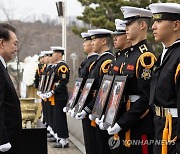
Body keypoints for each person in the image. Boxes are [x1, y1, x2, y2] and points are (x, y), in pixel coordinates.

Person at [107, 6, 157, 153]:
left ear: (142, 25)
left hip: (139, 123)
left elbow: (145, 97)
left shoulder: (145, 56)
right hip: (125, 118)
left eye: (129, 24)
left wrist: (123, 122)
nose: (126, 27)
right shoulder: (129, 55)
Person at [76, 29, 114, 154]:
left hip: (100, 109)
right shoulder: (99, 61)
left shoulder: (107, 61)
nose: (91, 43)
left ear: (103, 41)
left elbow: (103, 90)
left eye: (94, 40)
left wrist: (88, 108)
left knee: (101, 146)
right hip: (94, 106)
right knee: (93, 144)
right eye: (90, 40)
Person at [149, 3, 180, 154]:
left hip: (174, 133)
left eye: (159, 21)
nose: (153, 27)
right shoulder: (164, 55)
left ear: (176, 25)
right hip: (161, 128)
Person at [75, 32, 98, 154]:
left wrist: (87, 108)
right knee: (89, 139)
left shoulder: (95, 61)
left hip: (91, 102)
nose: (84, 44)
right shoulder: (88, 61)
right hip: (85, 101)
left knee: (93, 140)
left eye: (87, 41)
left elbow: (92, 87)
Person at [0, 23, 22, 154]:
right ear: (2, 43)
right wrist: (2, 140)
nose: (16, 48)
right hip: (5, 141)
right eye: (14, 44)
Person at [46, 46, 70, 148]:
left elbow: (63, 82)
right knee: (57, 117)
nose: (53, 55)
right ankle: (59, 137)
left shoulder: (62, 66)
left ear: (60, 54)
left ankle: (64, 140)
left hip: (61, 96)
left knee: (60, 118)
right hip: (57, 95)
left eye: (55, 53)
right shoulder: (57, 66)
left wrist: (53, 91)